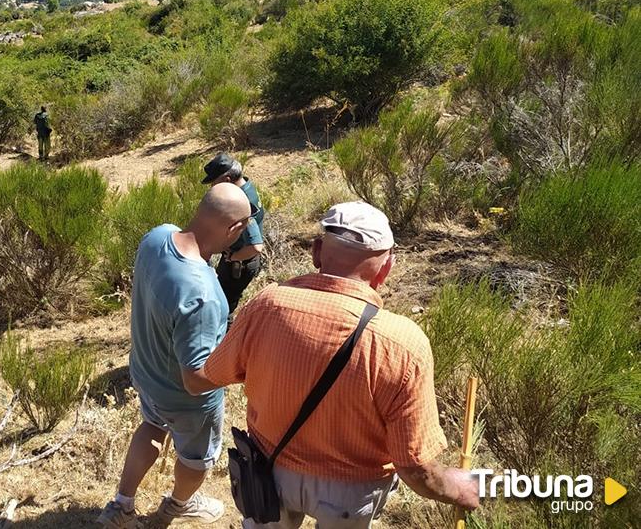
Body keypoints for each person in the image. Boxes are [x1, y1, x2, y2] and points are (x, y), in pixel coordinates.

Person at [188, 201, 480, 529]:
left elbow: (206, 377)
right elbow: (414, 467)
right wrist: (458, 488)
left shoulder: (267, 306)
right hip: (351, 491)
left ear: (316, 252)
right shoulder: (404, 343)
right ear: (386, 269)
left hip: (267, 473)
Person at [97, 183, 257, 529]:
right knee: (196, 459)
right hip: (185, 401)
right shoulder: (204, 295)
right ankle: (180, 505)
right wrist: (244, 368)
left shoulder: (157, 236)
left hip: (146, 372)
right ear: (234, 229)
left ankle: (121, 507)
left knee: (152, 426)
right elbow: (195, 381)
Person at [201, 153, 265, 324]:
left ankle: (225, 345)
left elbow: (256, 246)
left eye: (214, 183)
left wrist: (232, 257)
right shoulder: (247, 187)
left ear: (227, 179)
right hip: (241, 260)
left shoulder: (242, 202)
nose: (212, 188)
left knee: (223, 309)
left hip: (240, 263)